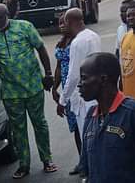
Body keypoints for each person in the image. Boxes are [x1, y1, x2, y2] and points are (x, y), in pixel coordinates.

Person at [0, 4, 57, 179]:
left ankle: (47, 160)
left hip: (33, 87)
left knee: (40, 124)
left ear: (7, 16)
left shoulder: (24, 27)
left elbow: (41, 48)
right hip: (11, 92)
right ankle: (24, 165)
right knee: (18, 130)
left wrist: (47, 74)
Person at [78, 53, 135, 183]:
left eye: (84, 78)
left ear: (103, 79)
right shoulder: (90, 117)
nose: (80, 84)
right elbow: (86, 170)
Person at [58, 8, 101, 171]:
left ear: (70, 22)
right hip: (96, 94)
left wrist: (62, 100)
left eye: (65, 22)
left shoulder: (77, 42)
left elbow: (74, 75)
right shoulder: (93, 36)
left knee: (87, 136)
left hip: (83, 97)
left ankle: (91, 171)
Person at [51, 14, 81, 160]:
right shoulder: (61, 43)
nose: (61, 25)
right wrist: (54, 87)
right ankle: (82, 160)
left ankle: (88, 162)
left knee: (83, 126)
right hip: (66, 90)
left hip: (78, 89)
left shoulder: (77, 42)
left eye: (64, 23)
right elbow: (58, 67)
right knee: (75, 127)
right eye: (59, 23)